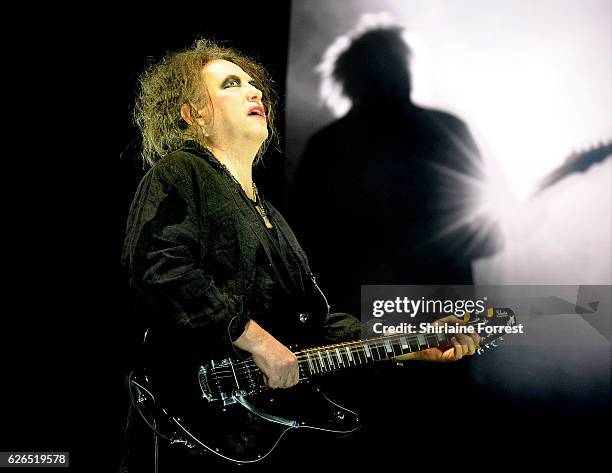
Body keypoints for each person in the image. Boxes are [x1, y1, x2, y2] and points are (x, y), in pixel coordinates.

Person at [119, 38, 480, 472]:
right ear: (195, 114)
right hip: (192, 411)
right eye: (232, 84)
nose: (255, 92)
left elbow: (316, 326)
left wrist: (412, 344)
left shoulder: (269, 214)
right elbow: (162, 270)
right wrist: (257, 341)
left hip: (249, 428)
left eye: (254, 84)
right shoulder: (181, 170)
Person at [292, 26, 504, 317]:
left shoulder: (326, 145)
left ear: (349, 81)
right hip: (440, 311)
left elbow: (302, 243)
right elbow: (487, 238)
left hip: (358, 315)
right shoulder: (447, 130)